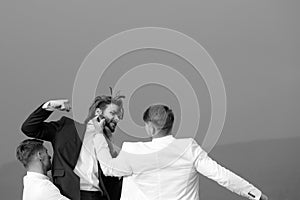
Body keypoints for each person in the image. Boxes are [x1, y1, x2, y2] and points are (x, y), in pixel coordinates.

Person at [93, 104, 268, 200]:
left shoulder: (133, 150)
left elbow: (109, 168)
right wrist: (256, 194)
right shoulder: (188, 148)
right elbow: (221, 175)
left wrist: (99, 135)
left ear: (151, 128)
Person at [21, 92, 125, 200]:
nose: (117, 119)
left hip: (98, 196)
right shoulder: (66, 128)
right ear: (98, 112)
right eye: (113, 113)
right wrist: (50, 105)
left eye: (118, 116)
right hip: (69, 194)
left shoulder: (108, 146)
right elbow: (29, 128)